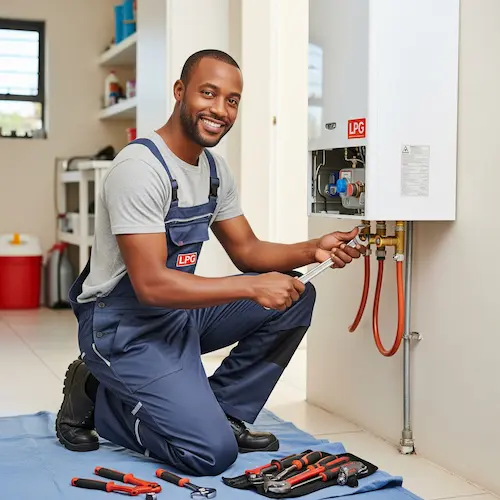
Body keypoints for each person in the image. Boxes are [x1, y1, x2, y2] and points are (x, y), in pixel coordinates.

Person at [55, 49, 363, 477]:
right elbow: (150, 286)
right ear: (180, 92)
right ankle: (96, 392)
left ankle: (225, 413)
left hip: (177, 314)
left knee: (296, 295)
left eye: (232, 100)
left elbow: (248, 250)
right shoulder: (140, 169)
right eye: (208, 93)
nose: (220, 109)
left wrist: (315, 248)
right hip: (122, 327)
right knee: (208, 455)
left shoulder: (214, 170)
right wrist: (252, 287)